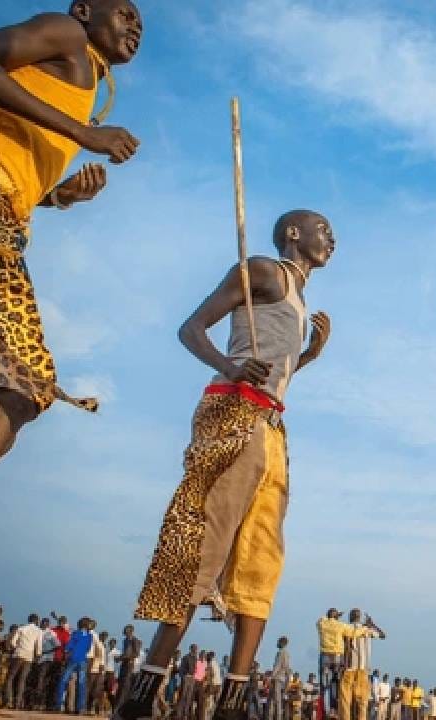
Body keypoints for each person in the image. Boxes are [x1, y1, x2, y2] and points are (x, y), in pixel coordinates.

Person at [0, 1, 143, 689]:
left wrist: (57, 193)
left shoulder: (85, 73)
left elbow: (1, 142)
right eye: (123, 10)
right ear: (84, 9)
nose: (135, 24)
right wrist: (84, 132)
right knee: (20, 385)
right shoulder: (66, 33)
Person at [112, 210, 335, 720]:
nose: (333, 239)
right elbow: (191, 329)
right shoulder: (262, 271)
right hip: (234, 412)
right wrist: (228, 365)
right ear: (294, 234)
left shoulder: (299, 297)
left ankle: (233, 700)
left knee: (262, 556)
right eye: (324, 229)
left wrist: (308, 357)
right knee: (204, 546)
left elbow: (274, 371)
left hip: (272, 424)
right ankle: (144, 692)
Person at [341, 612, 386, 720]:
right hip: (363, 669)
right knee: (362, 701)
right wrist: (372, 624)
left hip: (350, 668)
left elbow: (345, 647)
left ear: (350, 617)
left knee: (346, 700)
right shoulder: (367, 629)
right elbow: (383, 635)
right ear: (359, 617)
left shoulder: (346, 628)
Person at [6, 613, 43, 709]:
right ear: (36, 621)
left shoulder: (21, 628)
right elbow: (38, 647)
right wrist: (37, 656)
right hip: (29, 657)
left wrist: (17, 647)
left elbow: (13, 642)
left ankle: (8, 701)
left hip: (18, 654)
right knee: (22, 680)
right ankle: (18, 703)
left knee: (10, 678)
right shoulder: (38, 631)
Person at [318, 608, 349, 715]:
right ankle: (333, 710)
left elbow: (320, 619)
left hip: (325, 657)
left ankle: (324, 710)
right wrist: (337, 618)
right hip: (337, 657)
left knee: (325, 684)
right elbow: (351, 632)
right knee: (335, 684)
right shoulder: (341, 625)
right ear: (336, 616)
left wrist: (334, 617)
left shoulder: (322, 623)